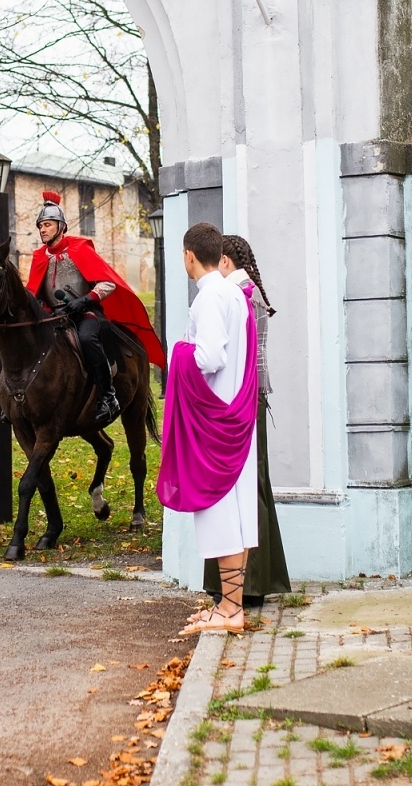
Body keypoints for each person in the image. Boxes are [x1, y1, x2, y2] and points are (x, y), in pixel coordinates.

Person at [159, 223, 261, 634]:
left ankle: (230, 612)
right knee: (236, 515)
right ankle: (229, 607)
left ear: (188, 255)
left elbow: (211, 355)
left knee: (220, 515)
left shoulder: (209, 297)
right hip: (235, 413)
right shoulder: (234, 292)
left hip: (214, 420)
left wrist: (178, 351)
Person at [23, 191, 165, 423]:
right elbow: (34, 291)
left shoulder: (79, 250)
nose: (42, 229)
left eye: (47, 224)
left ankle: (108, 396)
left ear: (61, 226)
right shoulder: (40, 257)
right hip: (53, 318)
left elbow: (107, 282)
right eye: (40, 226)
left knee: (88, 339)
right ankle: (19, 398)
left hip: (84, 314)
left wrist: (86, 299)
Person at [211, 234, 292, 607]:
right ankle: (255, 579)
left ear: (225, 261)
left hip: (242, 397)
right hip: (253, 394)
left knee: (243, 485)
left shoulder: (238, 294)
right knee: (253, 480)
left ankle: (248, 584)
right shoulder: (251, 292)